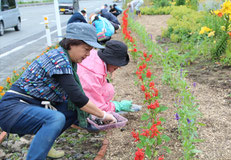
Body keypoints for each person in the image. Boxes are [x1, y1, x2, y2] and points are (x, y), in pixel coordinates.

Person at [0, 23, 117, 160]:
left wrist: (94, 114)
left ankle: (45, 145)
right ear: (71, 44)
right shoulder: (59, 60)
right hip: (12, 109)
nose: (88, 54)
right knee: (56, 118)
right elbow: (78, 97)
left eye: (90, 50)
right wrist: (103, 115)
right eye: (86, 49)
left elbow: (76, 101)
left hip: (31, 105)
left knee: (72, 109)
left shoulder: (66, 59)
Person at [77, 40, 142, 113]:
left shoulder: (94, 55)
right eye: (118, 64)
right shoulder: (93, 74)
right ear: (110, 60)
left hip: (82, 96)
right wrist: (117, 106)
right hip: (79, 106)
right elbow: (95, 106)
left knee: (108, 88)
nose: (119, 67)